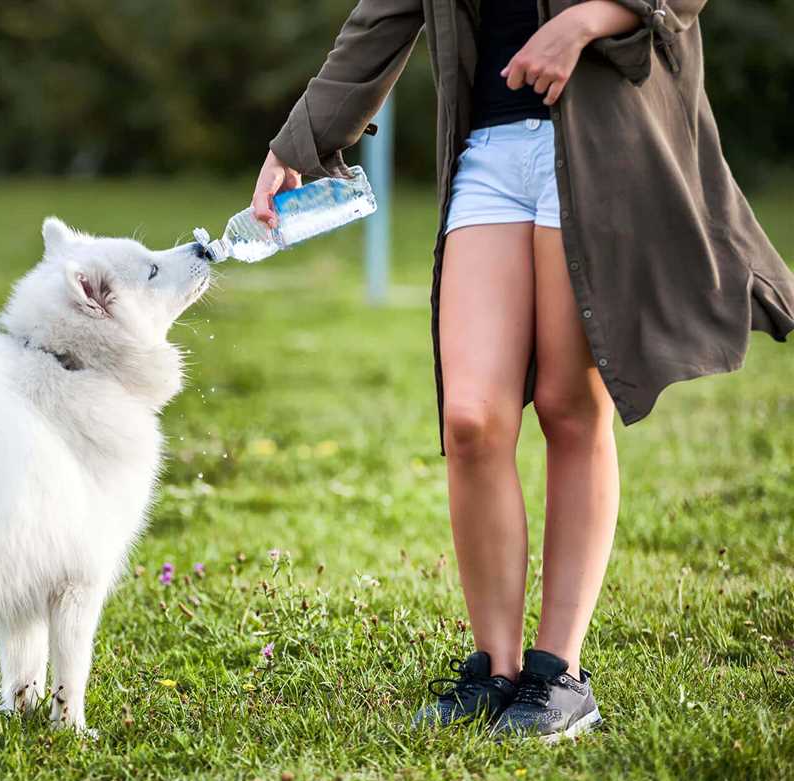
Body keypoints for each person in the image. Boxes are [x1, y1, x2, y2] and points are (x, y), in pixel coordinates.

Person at [252, 0, 794, 739]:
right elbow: (381, 16)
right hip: (489, 150)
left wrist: (589, 20)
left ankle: (559, 674)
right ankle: (494, 669)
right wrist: (298, 143)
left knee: (569, 406)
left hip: (602, 139)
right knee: (471, 418)